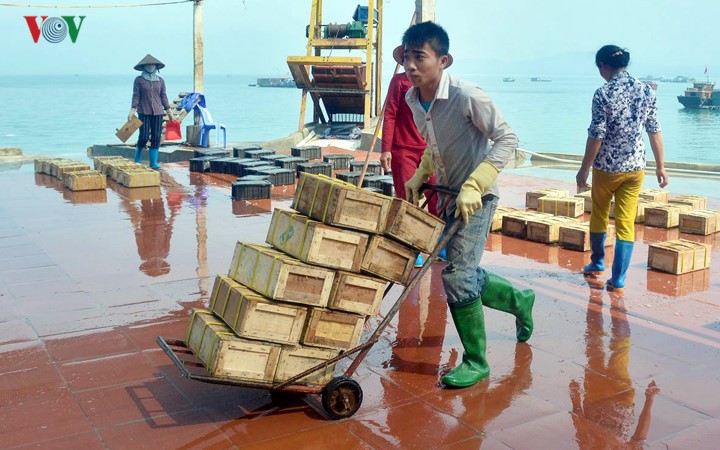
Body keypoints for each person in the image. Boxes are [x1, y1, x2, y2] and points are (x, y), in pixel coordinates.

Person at [398, 21, 535, 388]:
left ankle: (477, 361)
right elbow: (433, 145)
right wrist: (419, 174)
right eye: (407, 57)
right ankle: (520, 300)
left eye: (419, 57)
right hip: (445, 195)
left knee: (457, 275)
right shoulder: (413, 98)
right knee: (464, 271)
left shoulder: (467, 95)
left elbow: (508, 140)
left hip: (478, 198)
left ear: (443, 60)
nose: (411, 66)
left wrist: (475, 184)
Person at [576, 45, 669, 293]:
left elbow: (596, 135)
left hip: (607, 168)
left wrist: (584, 169)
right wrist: (661, 166)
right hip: (636, 168)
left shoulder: (603, 93)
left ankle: (597, 261)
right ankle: (618, 280)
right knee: (626, 222)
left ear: (603, 66)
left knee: (599, 214)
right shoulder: (646, 91)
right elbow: (654, 130)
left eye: (600, 69)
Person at [380, 70, 442, 267]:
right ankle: (412, 248)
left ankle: (440, 246)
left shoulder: (434, 81)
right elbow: (389, 113)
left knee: (437, 198)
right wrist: (386, 149)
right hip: (402, 149)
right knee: (408, 201)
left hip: (429, 149)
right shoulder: (399, 81)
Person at [129, 54, 175, 170]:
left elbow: (163, 96)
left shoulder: (160, 81)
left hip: (158, 113)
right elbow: (136, 96)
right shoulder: (139, 80)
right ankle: (137, 158)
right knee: (143, 137)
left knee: (156, 138)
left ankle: (153, 162)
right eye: (148, 64)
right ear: (143, 67)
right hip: (143, 112)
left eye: (152, 64)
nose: (150, 66)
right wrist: (132, 110)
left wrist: (169, 112)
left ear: (156, 67)